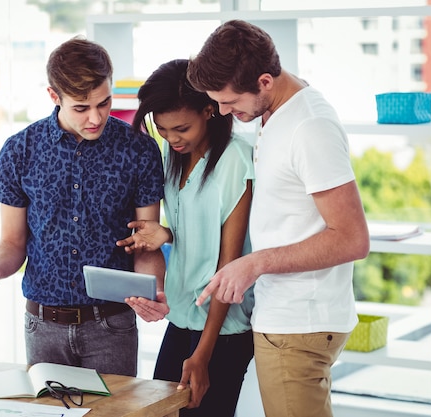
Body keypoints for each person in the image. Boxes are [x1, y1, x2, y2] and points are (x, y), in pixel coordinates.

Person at [0, 36, 166, 377]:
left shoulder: (140, 149)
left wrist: (154, 289)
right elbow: (12, 242)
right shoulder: (19, 151)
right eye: (81, 107)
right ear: (53, 96)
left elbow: (146, 244)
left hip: (112, 326)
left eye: (104, 103)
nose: (95, 117)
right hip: (42, 327)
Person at [187, 20, 371, 417]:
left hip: (300, 324)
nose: (222, 111)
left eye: (229, 101)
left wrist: (256, 262)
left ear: (265, 81)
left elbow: (352, 238)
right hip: (287, 317)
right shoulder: (278, 109)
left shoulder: (309, 127)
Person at [116, 59, 254, 416]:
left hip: (222, 328)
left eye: (181, 128)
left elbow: (229, 265)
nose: (172, 138)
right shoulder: (174, 155)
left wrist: (202, 355)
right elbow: (197, 223)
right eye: (162, 130)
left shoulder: (236, 160)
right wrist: (166, 233)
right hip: (181, 317)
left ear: (210, 110)